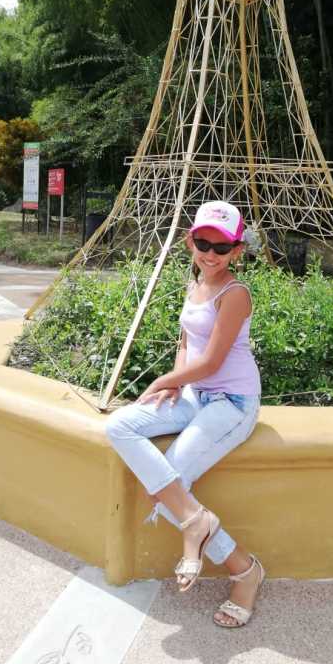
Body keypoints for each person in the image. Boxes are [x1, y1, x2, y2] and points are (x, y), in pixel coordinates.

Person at [106, 200, 264, 629]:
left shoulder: (235, 294)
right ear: (189, 242)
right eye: (203, 243)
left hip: (232, 402)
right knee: (119, 425)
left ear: (237, 251)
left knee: (169, 483)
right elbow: (185, 343)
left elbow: (212, 362)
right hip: (195, 393)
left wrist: (161, 380)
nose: (211, 254)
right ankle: (199, 523)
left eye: (221, 247)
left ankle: (243, 572)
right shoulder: (195, 284)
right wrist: (176, 381)